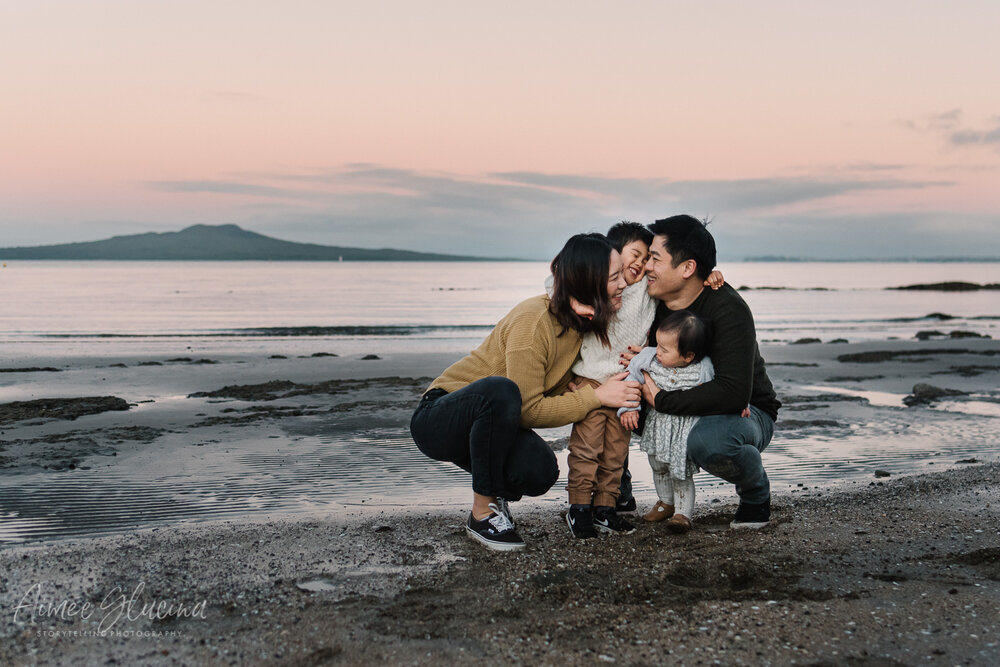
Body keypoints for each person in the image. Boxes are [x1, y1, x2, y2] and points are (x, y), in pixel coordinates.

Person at [410, 233, 642, 551]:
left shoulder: (583, 322)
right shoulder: (534, 322)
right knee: (503, 391)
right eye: (614, 277)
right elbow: (528, 408)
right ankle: (482, 512)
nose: (623, 284)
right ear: (590, 281)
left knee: (539, 472)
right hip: (439, 417)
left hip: (493, 425)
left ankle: (494, 496)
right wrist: (596, 397)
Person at [636, 215, 781, 529]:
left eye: (655, 258)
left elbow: (732, 393)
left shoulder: (727, 308)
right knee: (615, 396)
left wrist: (662, 401)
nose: (646, 266)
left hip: (747, 413)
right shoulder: (650, 302)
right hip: (684, 402)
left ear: (687, 268)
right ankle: (611, 497)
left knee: (709, 442)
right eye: (646, 257)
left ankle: (755, 494)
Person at [562, 223, 657, 539]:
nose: (640, 264)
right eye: (635, 254)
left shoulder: (646, 290)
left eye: (646, 259)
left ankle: (605, 508)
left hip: (626, 383)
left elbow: (674, 291)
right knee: (587, 450)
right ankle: (579, 507)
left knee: (616, 452)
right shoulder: (600, 286)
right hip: (591, 382)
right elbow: (556, 282)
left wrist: (648, 351)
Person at [618, 311, 713, 534]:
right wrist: (628, 408)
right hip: (657, 426)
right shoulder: (649, 357)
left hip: (684, 431)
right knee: (658, 465)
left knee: (680, 471)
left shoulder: (704, 368)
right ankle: (665, 503)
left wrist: (739, 406)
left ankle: (682, 513)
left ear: (688, 356)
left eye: (664, 349)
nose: (656, 352)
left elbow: (720, 391)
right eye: (657, 345)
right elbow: (631, 378)